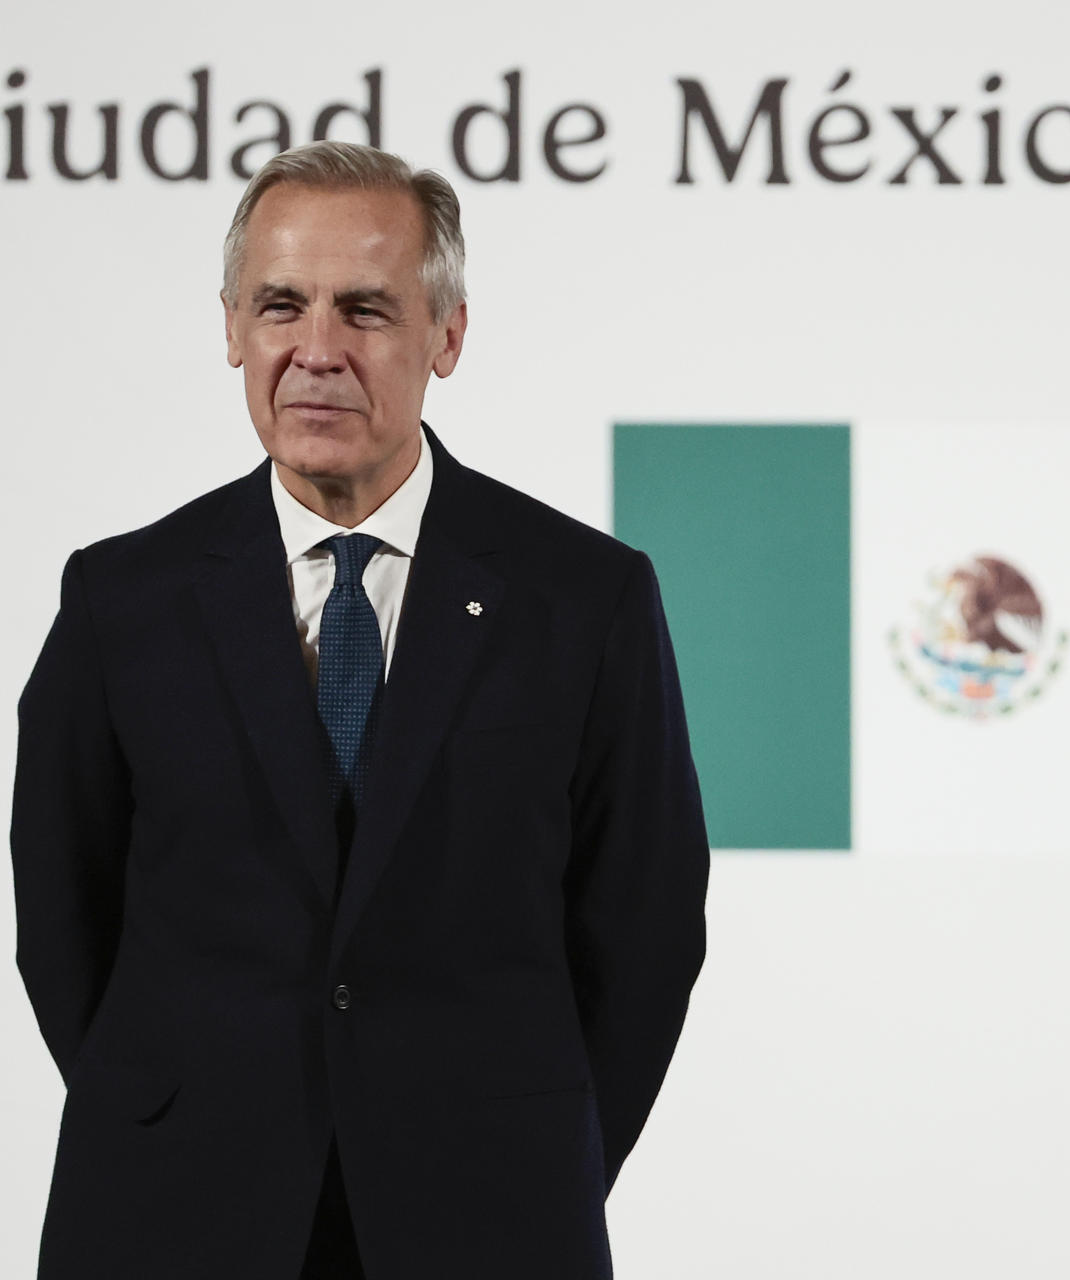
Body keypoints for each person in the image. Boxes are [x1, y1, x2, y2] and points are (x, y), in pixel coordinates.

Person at [10, 140, 709, 1278]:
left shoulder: (585, 598)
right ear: (232, 328)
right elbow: (61, 911)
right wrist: (165, 1111)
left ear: (448, 335)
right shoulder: (120, 598)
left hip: (486, 1219)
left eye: (367, 309)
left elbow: (645, 926)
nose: (317, 350)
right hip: (170, 1217)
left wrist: (538, 1147)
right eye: (280, 305)